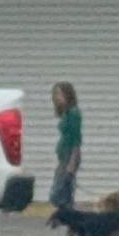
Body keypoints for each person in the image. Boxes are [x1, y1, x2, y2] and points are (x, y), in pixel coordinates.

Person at [51, 81, 82, 211]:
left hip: (70, 156)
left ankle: (70, 215)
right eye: (55, 94)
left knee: (59, 192)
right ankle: (69, 216)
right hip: (64, 156)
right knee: (64, 189)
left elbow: (76, 140)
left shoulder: (74, 114)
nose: (56, 97)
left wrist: (72, 163)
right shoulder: (67, 113)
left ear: (67, 94)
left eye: (59, 93)